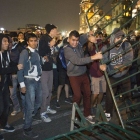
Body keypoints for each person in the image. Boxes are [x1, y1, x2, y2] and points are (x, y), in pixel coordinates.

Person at [64, 30, 105, 123]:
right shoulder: (67, 49)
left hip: (83, 73)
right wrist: (94, 57)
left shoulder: (79, 44)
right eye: (73, 40)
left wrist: (89, 36)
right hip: (73, 76)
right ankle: (75, 117)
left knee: (87, 94)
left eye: (77, 40)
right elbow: (77, 61)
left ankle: (87, 114)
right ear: (68, 39)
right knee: (77, 96)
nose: (75, 42)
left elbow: (83, 37)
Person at [105, 28, 133, 121]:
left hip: (124, 75)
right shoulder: (106, 48)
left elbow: (129, 60)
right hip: (112, 76)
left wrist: (122, 66)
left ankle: (130, 114)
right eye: (117, 37)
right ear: (113, 38)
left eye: (121, 37)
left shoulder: (126, 46)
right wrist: (102, 66)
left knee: (127, 95)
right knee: (109, 96)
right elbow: (103, 61)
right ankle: (108, 114)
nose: (119, 39)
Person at [18, 33, 42, 138]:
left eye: (35, 40)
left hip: (37, 80)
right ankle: (27, 128)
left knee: (39, 102)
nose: (34, 42)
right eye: (31, 41)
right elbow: (20, 69)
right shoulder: (24, 52)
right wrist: (22, 84)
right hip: (29, 81)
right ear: (27, 42)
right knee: (30, 106)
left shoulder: (36, 52)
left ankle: (30, 115)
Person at [0, 34, 23, 140]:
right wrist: (16, 67)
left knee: (6, 107)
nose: (7, 44)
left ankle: (4, 125)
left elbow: (10, 64)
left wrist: (19, 63)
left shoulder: (6, 54)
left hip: (4, 84)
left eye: (7, 42)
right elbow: (2, 70)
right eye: (4, 41)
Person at [39, 24, 58, 122]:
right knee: (45, 91)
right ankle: (42, 112)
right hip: (43, 69)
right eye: (55, 30)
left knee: (50, 90)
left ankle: (47, 107)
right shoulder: (44, 38)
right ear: (51, 30)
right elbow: (41, 52)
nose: (57, 31)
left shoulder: (51, 38)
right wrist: (49, 45)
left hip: (50, 67)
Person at [88, 39, 107, 116]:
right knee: (95, 93)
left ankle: (98, 105)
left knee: (102, 91)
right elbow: (89, 48)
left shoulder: (102, 45)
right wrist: (91, 41)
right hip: (94, 74)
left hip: (102, 73)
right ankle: (91, 106)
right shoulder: (92, 47)